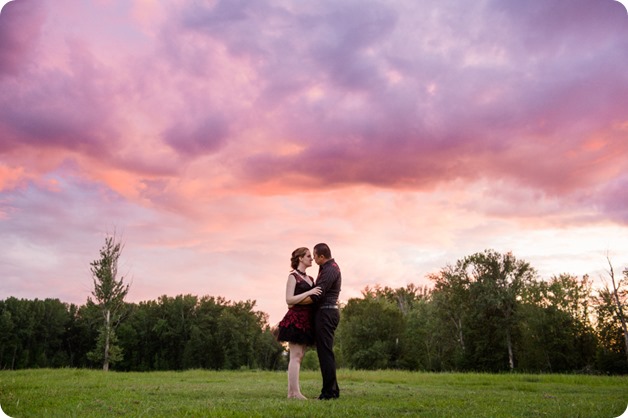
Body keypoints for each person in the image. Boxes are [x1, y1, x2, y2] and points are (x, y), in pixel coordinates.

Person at [276, 247, 322, 399]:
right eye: (309, 256)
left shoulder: (311, 279)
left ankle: (292, 393)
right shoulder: (293, 276)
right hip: (295, 319)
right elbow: (289, 300)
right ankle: (294, 393)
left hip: (306, 320)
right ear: (300, 258)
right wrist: (309, 292)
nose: (312, 259)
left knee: (299, 356)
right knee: (295, 356)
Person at [308, 243, 342, 400]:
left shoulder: (330, 269)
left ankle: (328, 393)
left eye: (314, 256)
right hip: (326, 312)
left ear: (322, 256)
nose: (313, 258)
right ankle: (333, 391)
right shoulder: (326, 268)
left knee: (325, 353)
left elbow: (318, 293)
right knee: (325, 352)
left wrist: (296, 301)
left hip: (327, 312)